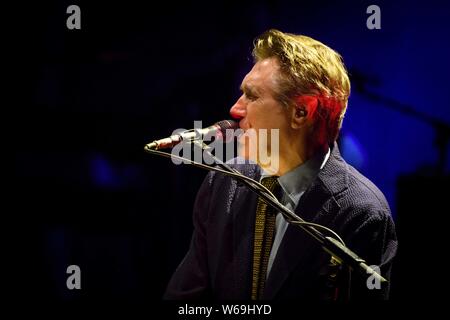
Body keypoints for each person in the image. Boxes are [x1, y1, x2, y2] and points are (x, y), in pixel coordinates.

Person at [164, 29, 397, 300]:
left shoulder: (362, 212)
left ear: (301, 112)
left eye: (252, 96)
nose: (235, 110)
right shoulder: (222, 182)